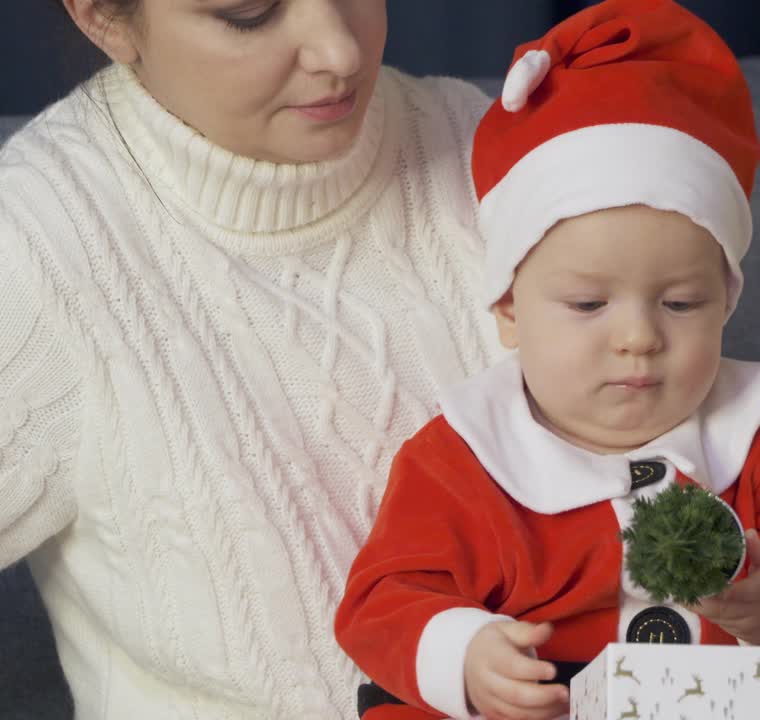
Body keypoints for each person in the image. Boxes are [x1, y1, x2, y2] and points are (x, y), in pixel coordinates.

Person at [334, 2, 760, 719]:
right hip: (540, 697)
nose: (638, 339)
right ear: (510, 312)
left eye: (680, 305)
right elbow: (383, 598)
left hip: (713, 699)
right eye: (589, 306)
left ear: (725, 303)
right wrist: (469, 655)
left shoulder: (750, 430)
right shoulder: (468, 453)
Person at [0, 1, 505, 717]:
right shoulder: (37, 247)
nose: (340, 51)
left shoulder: (487, 147)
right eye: (250, 14)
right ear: (103, 19)